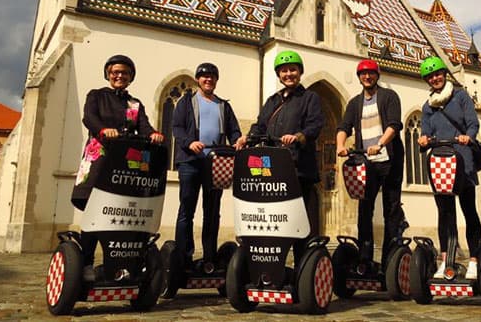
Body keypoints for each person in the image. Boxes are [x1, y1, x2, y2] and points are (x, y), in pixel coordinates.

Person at [73, 54, 164, 280]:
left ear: (130, 76)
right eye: (115, 72)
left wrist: (153, 134)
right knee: (94, 211)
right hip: (100, 159)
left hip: (123, 165)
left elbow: (144, 126)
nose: (119, 76)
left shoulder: (134, 104)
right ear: (108, 74)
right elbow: (89, 118)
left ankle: (116, 265)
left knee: (119, 212)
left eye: (124, 72)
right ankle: (86, 264)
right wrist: (103, 130)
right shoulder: (97, 96)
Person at [235, 50, 325, 263]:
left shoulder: (310, 98)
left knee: (299, 221)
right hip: (272, 170)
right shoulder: (273, 100)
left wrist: (298, 136)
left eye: (293, 69)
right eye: (284, 71)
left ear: (300, 72)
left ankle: (303, 264)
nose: (288, 74)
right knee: (274, 219)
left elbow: (315, 124)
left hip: (299, 170)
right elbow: (260, 125)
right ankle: (271, 265)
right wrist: (247, 138)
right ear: (278, 75)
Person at [336, 59, 407, 268]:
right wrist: (340, 145)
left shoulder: (389, 96)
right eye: (363, 74)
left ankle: (389, 259)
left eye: (371, 73)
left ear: (377, 75)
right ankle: (364, 258)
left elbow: (394, 125)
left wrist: (380, 144)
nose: (367, 77)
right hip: (366, 164)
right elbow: (344, 126)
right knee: (364, 209)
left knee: (390, 209)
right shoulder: (354, 103)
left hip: (389, 160)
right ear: (359, 77)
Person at [417, 56, 481, 280]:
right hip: (440, 162)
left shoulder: (461, 96)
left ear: (444, 74)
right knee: (444, 213)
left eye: (437, 74)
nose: (435, 78)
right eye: (430, 76)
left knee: (469, 209)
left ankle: (474, 259)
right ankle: (445, 259)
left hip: (463, 160)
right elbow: (425, 130)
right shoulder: (428, 106)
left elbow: (473, 123)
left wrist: (468, 136)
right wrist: (423, 139)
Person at [172, 62, 242, 273]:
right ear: (198, 80)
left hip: (216, 164)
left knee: (212, 213)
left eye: (212, 76)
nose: (208, 79)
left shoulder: (223, 105)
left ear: (216, 80)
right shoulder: (186, 102)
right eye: (204, 76)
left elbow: (234, 130)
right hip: (190, 162)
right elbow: (177, 128)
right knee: (187, 211)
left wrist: (238, 140)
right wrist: (189, 142)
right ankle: (184, 258)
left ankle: (209, 258)